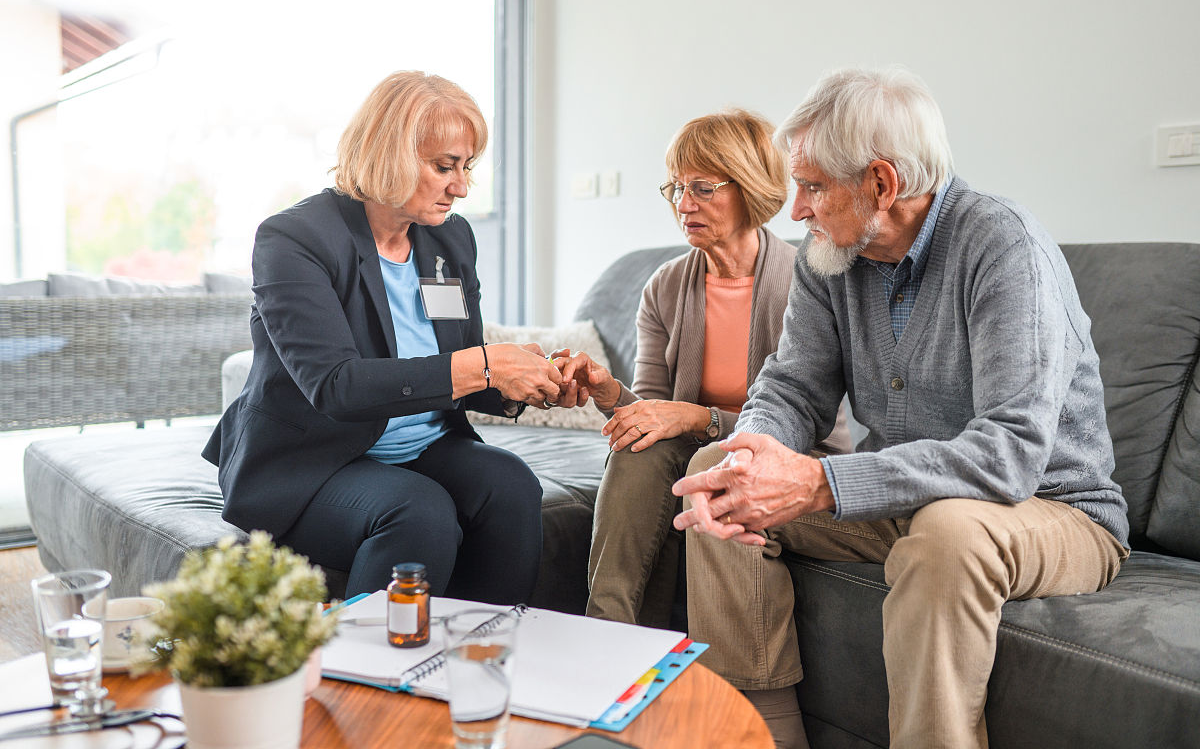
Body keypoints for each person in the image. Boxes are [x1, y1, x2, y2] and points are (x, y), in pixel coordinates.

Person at [671, 67, 1130, 749]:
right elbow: (793, 384)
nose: (795, 210)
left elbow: (1009, 455)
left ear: (882, 184)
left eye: (814, 186)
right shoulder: (829, 255)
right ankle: (760, 735)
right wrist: (752, 455)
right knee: (721, 473)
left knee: (948, 531)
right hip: (906, 499)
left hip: (1050, 509)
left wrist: (821, 482)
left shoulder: (1003, 245)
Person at [203, 71, 566, 604]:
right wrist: (487, 365)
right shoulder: (295, 238)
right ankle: (365, 675)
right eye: (444, 167)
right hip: (314, 460)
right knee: (417, 510)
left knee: (510, 484)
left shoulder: (450, 236)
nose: (461, 187)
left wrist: (534, 379)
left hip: (423, 445)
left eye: (466, 167)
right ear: (389, 154)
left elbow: (460, 367)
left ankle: (481, 653)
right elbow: (335, 386)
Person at [557, 109, 850, 636]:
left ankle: (617, 640)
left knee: (686, 451)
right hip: (695, 452)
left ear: (751, 189)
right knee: (638, 445)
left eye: (702, 188)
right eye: (674, 188)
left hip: (793, 457)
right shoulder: (666, 286)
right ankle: (606, 633)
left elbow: (812, 429)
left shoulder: (804, 286)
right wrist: (607, 392)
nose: (683, 205)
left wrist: (699, 418)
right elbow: (649, 414)